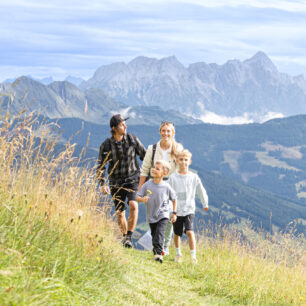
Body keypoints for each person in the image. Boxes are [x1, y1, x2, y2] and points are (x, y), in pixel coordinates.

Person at [96, 114, 146, 248]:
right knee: (120, 213)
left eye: (125, 124)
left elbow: (144, 156)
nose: (125, 126)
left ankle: (129, 236)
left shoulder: (132, 139)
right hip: (115, 182)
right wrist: (102, 184)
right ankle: (125, 238)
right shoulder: (106, 145)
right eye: (122, 125)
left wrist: (150, 176)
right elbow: (100, 167)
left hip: (133, 178)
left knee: (133, 205)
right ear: (114, 128)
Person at [138, 121, 183, 255]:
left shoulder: (178, 149)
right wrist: (140, 189)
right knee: (155, 215)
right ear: (159, 132)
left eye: (168, 131)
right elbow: (145, 169)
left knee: (168, 214)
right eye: (163, 130)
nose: (166, 133)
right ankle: (155, 243)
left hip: (171, 185)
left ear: (173, 133)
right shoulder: (152, 149)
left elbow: (182, 168)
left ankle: (164, 246)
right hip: (154, 185)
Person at [168, 149, 209, 263]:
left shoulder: (193, 177)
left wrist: (205, 203)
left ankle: (193, 256)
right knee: (177, 234)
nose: (183, 162)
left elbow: (201, 190)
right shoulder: (173, 178)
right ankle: (178, 253)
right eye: (181, 160)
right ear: (176, 161)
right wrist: (170, 209)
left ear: (189, 162)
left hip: (189, 209)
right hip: (176, 210)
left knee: (190, 232)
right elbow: (168, 193)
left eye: (186, 160)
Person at [136, 160, 177, 263]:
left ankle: (159, 254)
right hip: (151, 215)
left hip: (164, 214)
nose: (153, 169)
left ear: (164, 173)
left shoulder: (166, 186)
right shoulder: (147, 184)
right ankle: (156, 252)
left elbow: (174, 198)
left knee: (159, 233)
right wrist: (142, 199)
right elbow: (137, 196)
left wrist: (174, 213)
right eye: (153, 167)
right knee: (154, 235)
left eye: (157, 169)